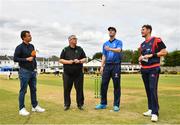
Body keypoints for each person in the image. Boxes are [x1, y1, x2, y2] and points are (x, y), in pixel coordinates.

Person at [138, 24, 168, 122]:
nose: (141, 31)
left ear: (149, 30)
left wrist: (152, 55)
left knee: (152, 89)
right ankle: (151, 109)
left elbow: (164, 52)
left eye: (143, 29)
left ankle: (155, 113)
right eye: (141, 30)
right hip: (144, 69)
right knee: (148, 90)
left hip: (154, 68)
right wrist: (140, 59)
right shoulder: (142, 45)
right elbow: (143, 57)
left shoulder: (156, 40)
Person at [14, 30, 45, 116]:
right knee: (23, 90)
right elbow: (15, 58)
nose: (30, 37)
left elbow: (33, 58)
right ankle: (21, 108)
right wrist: (26, 59)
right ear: (24, 37)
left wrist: (35, 67)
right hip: (24, 71)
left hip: (32, 71)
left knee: (34, 90)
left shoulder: (32, 46)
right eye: (28, 36)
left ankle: (34, 106)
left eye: (30, 35)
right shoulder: (19, 47)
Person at [95, 27, 123, 112]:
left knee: (116, 86)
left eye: (112, 31)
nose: (110, 32)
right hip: (107, 66)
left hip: (116, 66)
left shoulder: (119, 42)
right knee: (103, 84)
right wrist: (102, 66)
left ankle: (116, 105)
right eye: (109, 31)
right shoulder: (105, 44)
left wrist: (110, 49)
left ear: (115, 32)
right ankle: (103, 103)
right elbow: (104, 55)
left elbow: (119, 50)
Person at [59, 35, 87, 111]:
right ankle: (67, 104)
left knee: (79, 90)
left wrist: (80, 61)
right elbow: (61, 60)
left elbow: (85, 59)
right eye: (74, 39)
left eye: (76, 39)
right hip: (67, 74)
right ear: (70, 40)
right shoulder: (65, 49)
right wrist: (68, 62)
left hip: (78, 74)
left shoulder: (80, 49)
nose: (75, 40)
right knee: (67, 90)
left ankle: (80, 104)